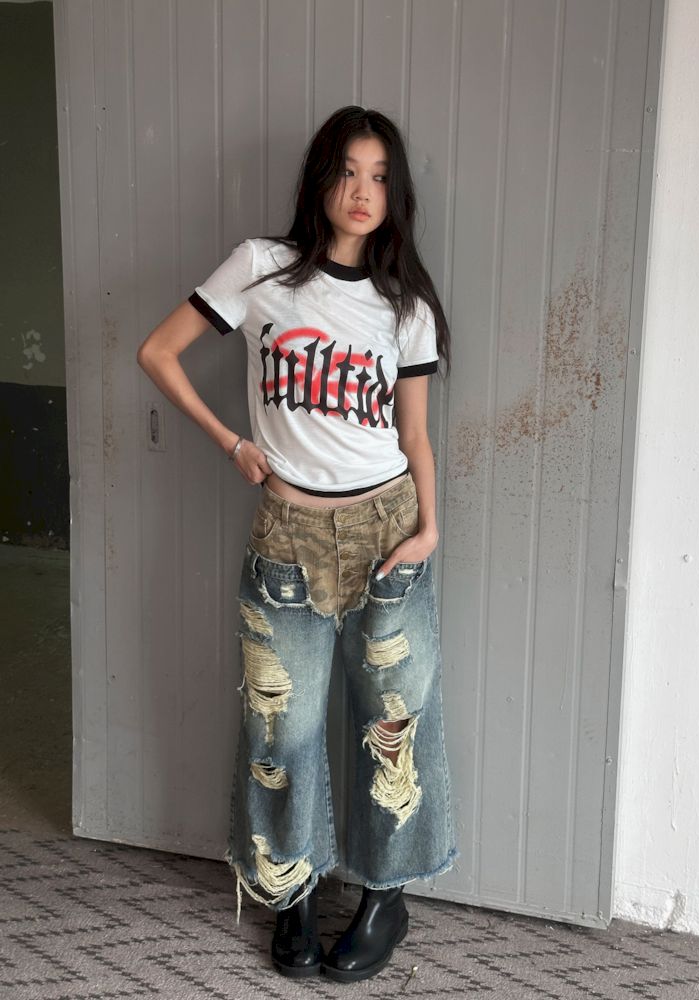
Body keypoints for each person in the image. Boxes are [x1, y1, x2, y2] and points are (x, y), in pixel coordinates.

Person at [136, 105, 458, 983]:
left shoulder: (406, 304)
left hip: (389, 530)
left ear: (395, 193)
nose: (362, 191)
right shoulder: (261, 269)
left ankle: (386, 898)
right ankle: (291, 894)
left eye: (380, 176)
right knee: (281, 728)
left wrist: (431, 527)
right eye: (348, 171)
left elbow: (416, 434)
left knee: (394, 723)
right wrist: (231, 442)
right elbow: (159, 352)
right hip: (286, 534)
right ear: (321, 178)